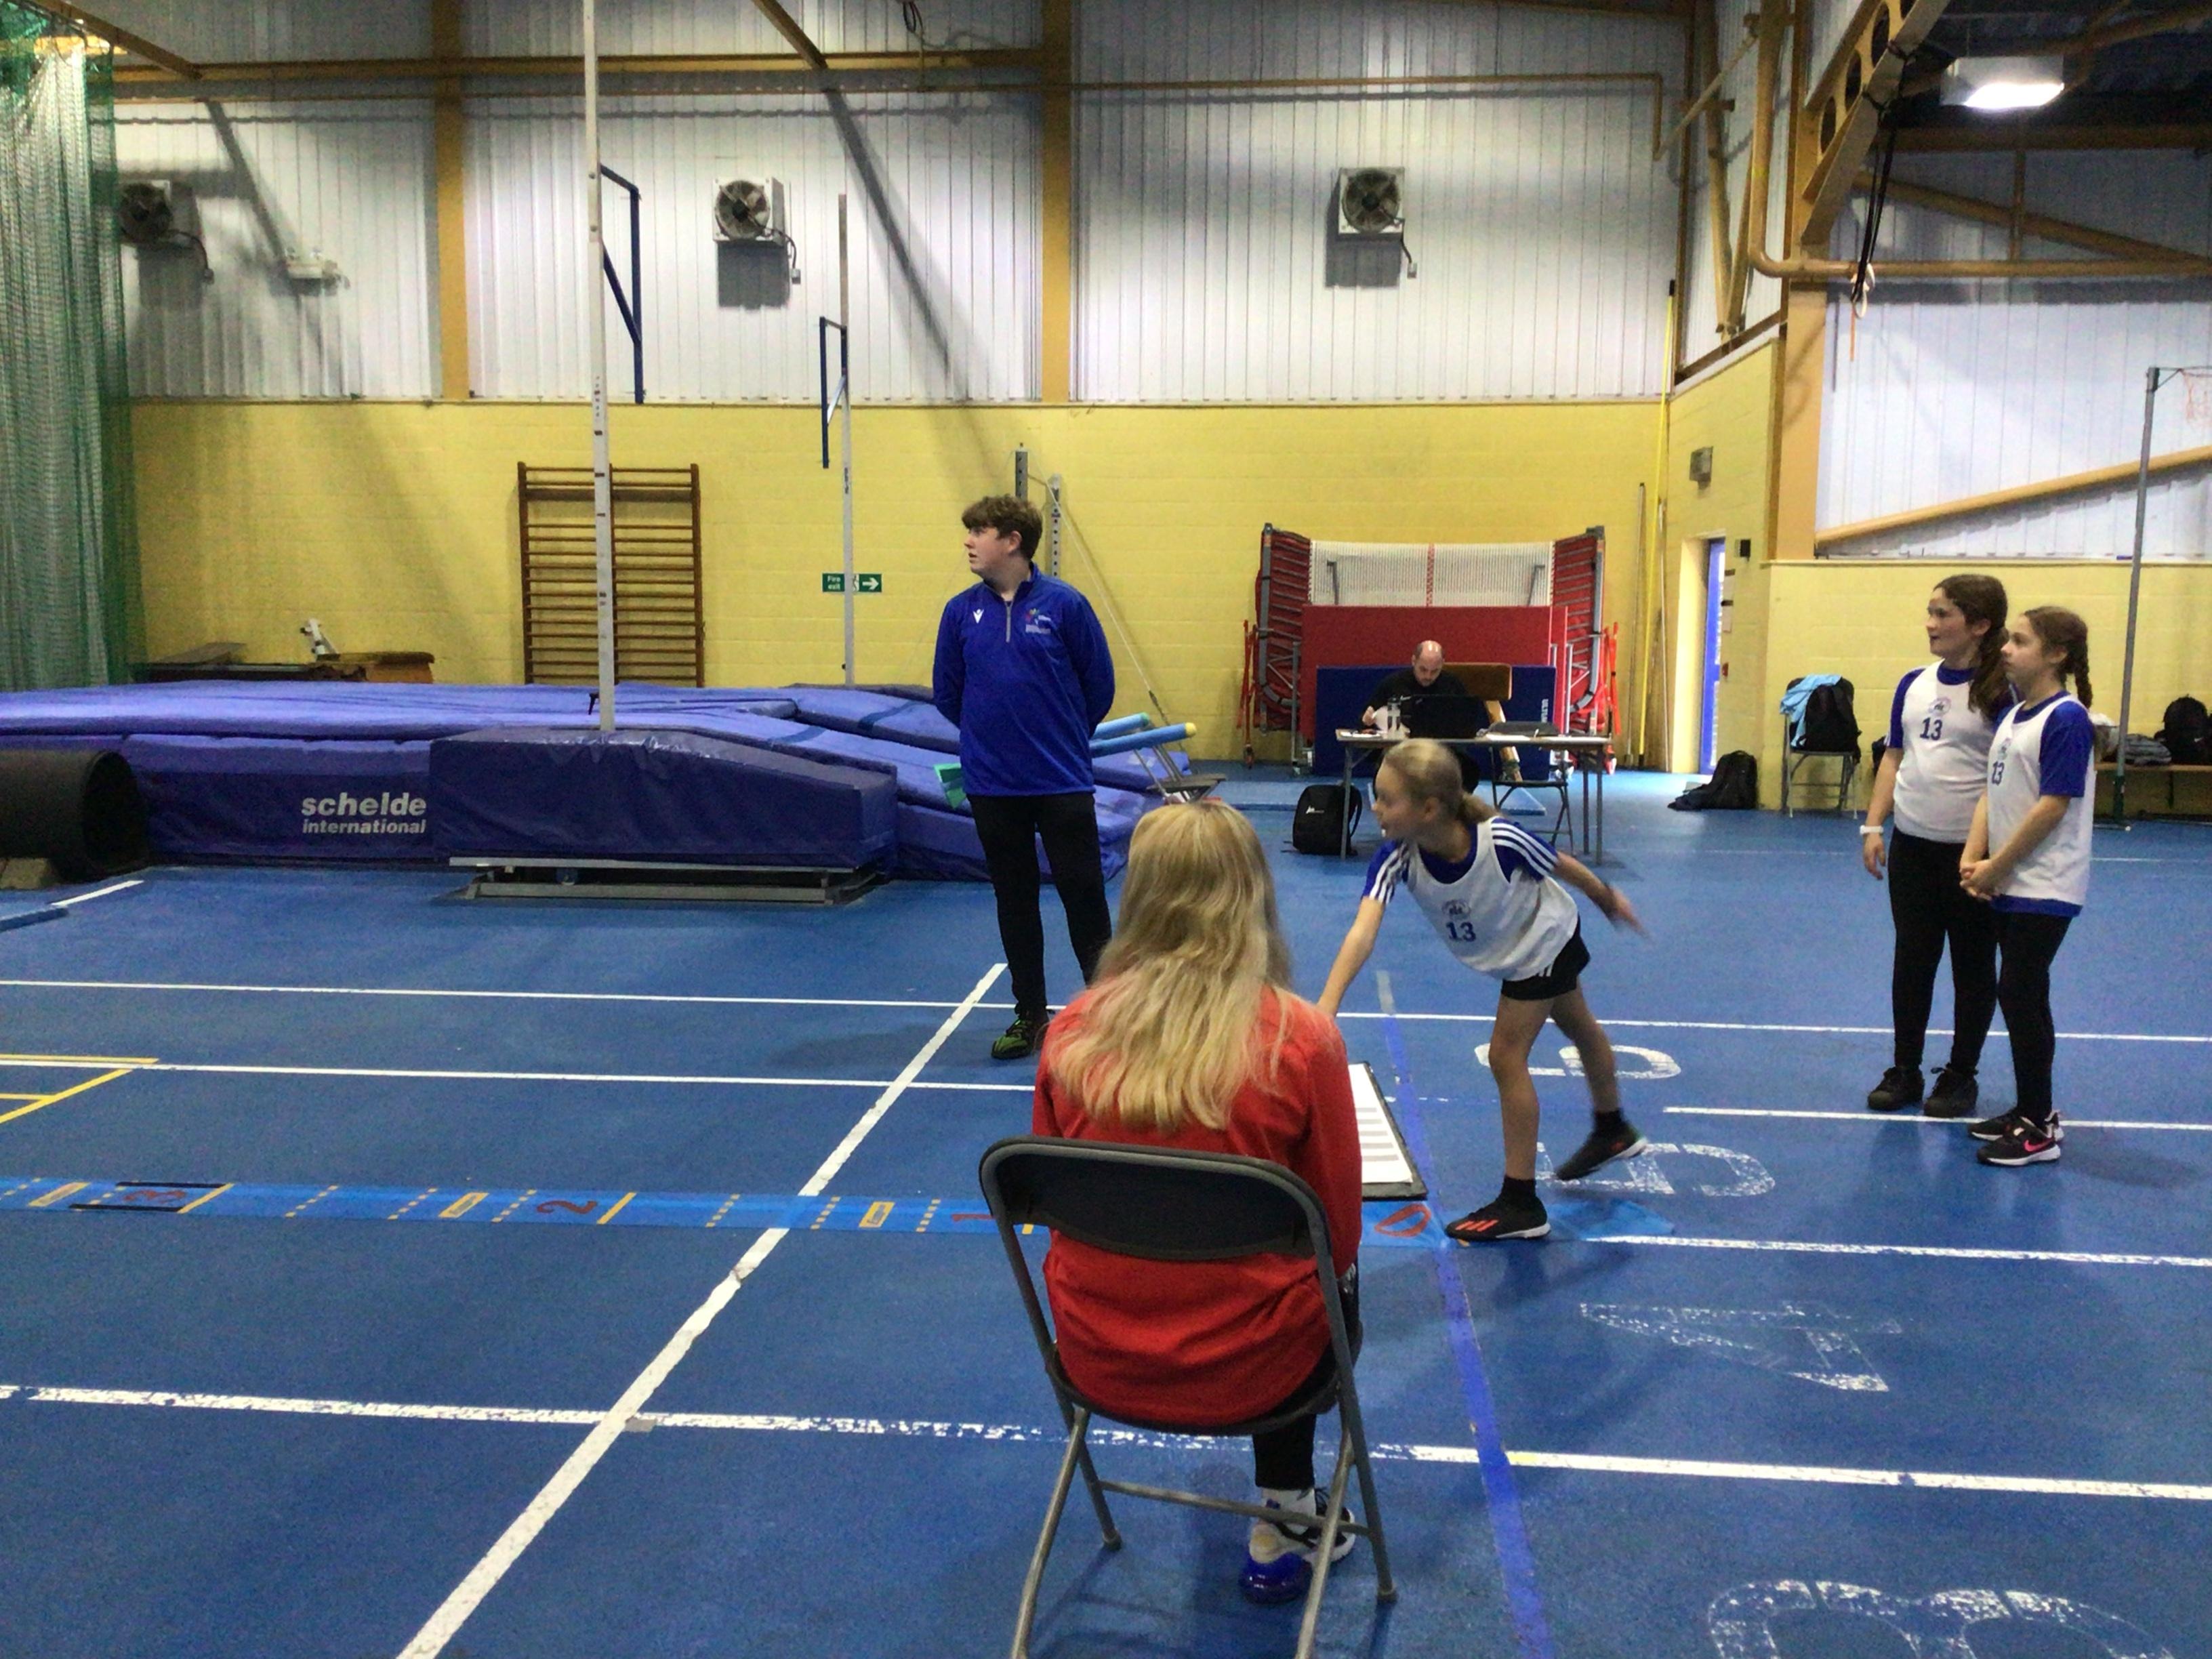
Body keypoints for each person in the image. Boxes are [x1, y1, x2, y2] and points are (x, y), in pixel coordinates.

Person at [1031, 800, 1366, 1605]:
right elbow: (1339, 1237)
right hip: (1259, 1368)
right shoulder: (1300, 1040)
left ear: (1140, 896)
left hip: (1095, 1353)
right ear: (1253, 895)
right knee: (1324, 1281)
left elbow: (1046, 1197)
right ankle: (1287, 1513)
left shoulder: (1070, 1033)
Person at [1316, 738, 1643, 1242]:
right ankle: (1612, 1127)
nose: (1375, 807)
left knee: (1505, 1056)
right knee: (1579, 1025)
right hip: (1518, 953)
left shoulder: (1500, 840)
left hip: (1543, 942)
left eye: (1386, 799)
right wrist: (1328, 1005)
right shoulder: (1396, 857)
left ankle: (1521, 1202)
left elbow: (1561, 865)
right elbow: (1363, 931)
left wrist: (1606, 898)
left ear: (1429, 809)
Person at [933, 495, 1116, 1061]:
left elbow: (1099, 687)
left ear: (1012, 541)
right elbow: (948, 694)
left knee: (1084, 896)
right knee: (1014, 900)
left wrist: (1058, 735)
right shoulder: (960, 613)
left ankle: (1108, 1015)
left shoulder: (1067, 606)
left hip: (1062, 780)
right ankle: (1030, 1014)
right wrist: (994, 740)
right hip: (993, 787)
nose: (968, 542)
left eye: (979, 532)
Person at [1860, 575, 2012, 1119]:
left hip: (1971, 857)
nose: (1930, 623)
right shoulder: (1914, 683)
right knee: (1913, 959)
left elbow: (2005, 777)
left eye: (1943, 614)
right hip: (1914, 848)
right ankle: (1905, 1068)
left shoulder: (2002, 693)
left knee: (1973, 965)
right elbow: (1894, 757)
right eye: (1930, 611)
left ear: (1979, 625)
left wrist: (1986, 855)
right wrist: (1873, 826)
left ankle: (1960, 1074)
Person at [1960, 607, 2095, 1168]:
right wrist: (1975, 855)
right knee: (2023, 994)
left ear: (2056, 654)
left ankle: (2038, 1126)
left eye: (2020, 641)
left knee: (2019, 991)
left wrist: (1999, 865)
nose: (2006, 649)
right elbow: (1992, 791)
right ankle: (2031, 1109)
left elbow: (2052, 805)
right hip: (2010, 877)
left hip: (2046, 881)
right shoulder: (2016, 714)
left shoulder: (2067, 719)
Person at [1361, 641, 1516, 784]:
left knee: (1469, 770)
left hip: (1445, 751)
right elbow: (1367, 721)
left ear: (1442, 664)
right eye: (1423, 670)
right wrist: (1368, 720)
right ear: (1414, 661)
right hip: (1404, 751)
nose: (1428, 676)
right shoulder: (1393, 684)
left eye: (1434, 671)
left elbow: (1466, 725)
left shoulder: (1453, 685)